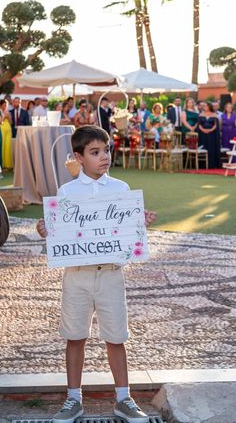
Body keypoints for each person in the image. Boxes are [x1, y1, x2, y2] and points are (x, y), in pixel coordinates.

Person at [36, 126, 157, 423]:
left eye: (106, 151)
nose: (104, 157)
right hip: (76, 276)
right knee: (74, 337)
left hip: (111, 276)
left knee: (116, 337)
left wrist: (140, 224)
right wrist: (46, 230)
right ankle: (73, 399)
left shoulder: (121, 190)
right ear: (78, 157)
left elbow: (128, 234)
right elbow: (60, 233)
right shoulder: (66, 193)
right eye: (95, 152)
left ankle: (123, 398)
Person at [197, 102, 221, 169]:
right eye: (204, 106)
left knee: (211, 148)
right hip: (203, 135)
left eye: (206, 106)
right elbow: (199, 125)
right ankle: (203, 165)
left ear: (209, 107)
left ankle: (212, 164)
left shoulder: (214, 114)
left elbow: (216, 125)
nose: (204, 107)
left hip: (212, 135)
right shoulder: (201, 114)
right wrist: (203, 130)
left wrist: (210, 130)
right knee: (204, 147)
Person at [0, 99, 14, 169]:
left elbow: (11, 123)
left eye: (6, 105)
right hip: (1, 128)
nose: (5, 107)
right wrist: (4, 116)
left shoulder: (8, 112)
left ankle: (8, 165)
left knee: (8, 146)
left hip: (8, 129)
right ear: (1, 105)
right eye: (4, 105)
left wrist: (9, 117)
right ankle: (2, 164)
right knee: (2, 146)